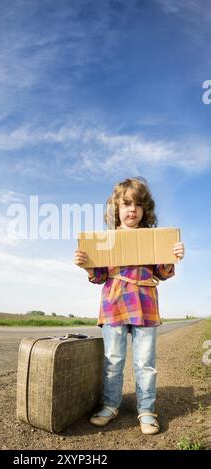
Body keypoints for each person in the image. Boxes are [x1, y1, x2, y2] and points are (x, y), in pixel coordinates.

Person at [73, 177, 184, 435]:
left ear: (145, 209)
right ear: (117, 209)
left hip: (145, 306)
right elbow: (99, 275)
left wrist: (173, 255)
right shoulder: (106, 240)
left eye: (137, 204)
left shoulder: (153, 238)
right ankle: (110, 406)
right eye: (125, 204)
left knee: (145, 362)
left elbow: (163, 271)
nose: (131, 209)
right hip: (114, 305)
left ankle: (146, 410)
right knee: (113, 360)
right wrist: (86, 263)